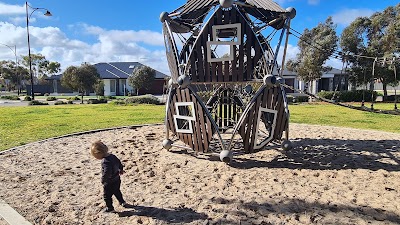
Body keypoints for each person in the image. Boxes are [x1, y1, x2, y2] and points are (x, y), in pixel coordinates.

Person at [91, 140, 129, 212]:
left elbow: (107, 172)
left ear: (99, 154)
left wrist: (103, 180)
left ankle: (110, 208)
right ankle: (122, 202)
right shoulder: (112, 156)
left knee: (107, 196)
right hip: (117, 179)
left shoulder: (105, 162)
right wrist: (121, 169)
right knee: (117, 191)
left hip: (109, 182)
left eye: (95, 156)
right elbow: (119, 163)